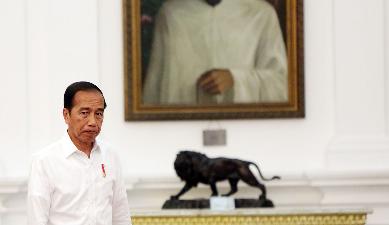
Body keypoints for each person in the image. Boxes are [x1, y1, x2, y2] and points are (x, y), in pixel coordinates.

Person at [143, 0, 288, 105]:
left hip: (244, 128)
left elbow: (281, 83)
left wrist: (235, 79)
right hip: (181, 128)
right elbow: (154, 86)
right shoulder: (171, 13)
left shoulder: (261, 13)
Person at [27, 81, 131, 225]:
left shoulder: (110, 156)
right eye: (84, 113)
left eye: (99, 113)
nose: (93, 122)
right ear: (66, 115)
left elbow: (121, 215)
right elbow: (37, 220)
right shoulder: (44, 161)